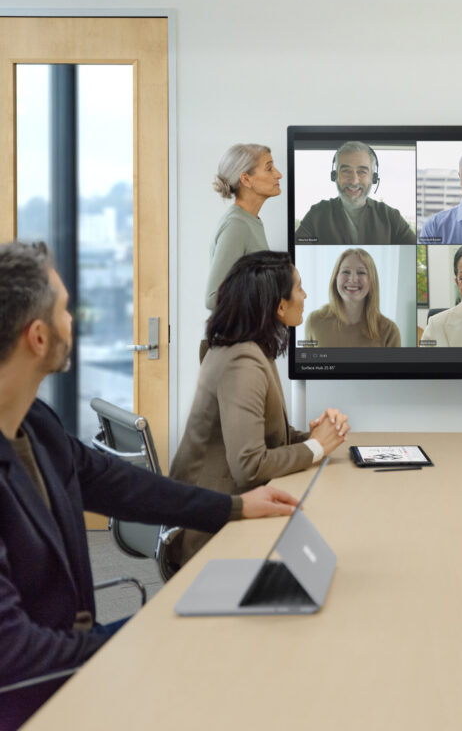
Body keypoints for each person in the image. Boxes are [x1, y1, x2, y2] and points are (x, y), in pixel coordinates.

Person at [0, 241, 299, 728]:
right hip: (35, 702)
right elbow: (14, 655)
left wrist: (235, 507)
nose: (73, 321)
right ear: (37, 337)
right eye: (65, 311)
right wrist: (159, 633)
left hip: (76, 670)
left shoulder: (36, 425)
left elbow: (123, 486)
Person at [172, 251, 350, 563]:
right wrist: (316, 447)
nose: (305, 295)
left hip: (221, 507)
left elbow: (264, 437)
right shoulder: (242, 362)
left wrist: (312, 437)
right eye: (299, 288)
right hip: (208, 531)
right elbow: (249, 466)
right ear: (280, 306)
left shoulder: (247, 349)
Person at [295, 141, 415, 244]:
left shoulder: (391, 217)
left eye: (362, 172)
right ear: (335, 175)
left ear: (373, 177)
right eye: (346, 171)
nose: (354, 181)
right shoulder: (316, 214)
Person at [205, 143, 278, 310]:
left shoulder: (252, 221)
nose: (278, 175)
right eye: (269, 169)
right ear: (246, 179)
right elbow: (212, 298)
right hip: (236, 336)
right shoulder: (237, 225)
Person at [304, 248, 401, 348]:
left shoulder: (390, 332)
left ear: (372, 281)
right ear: (335, 277)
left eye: (361, 272)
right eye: (346, 271)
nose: (353, 279)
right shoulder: (313, 322)